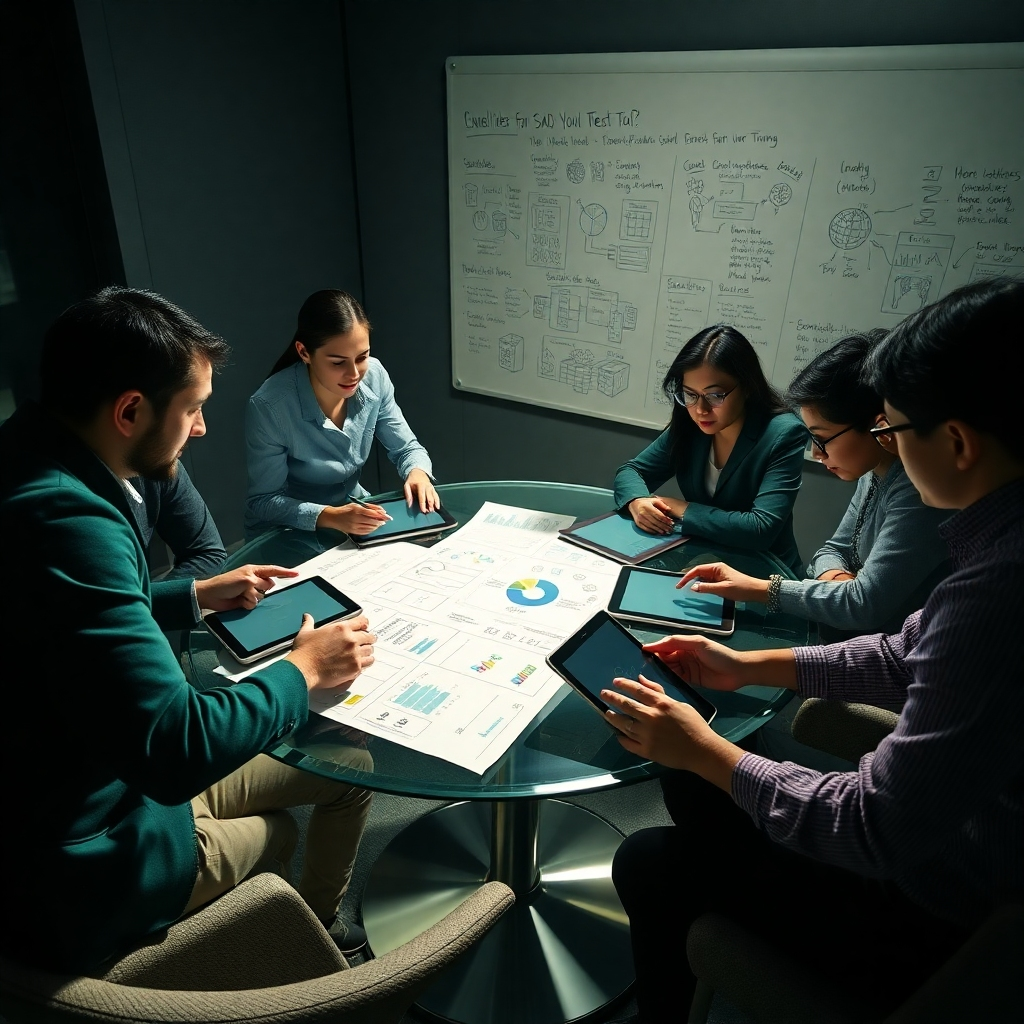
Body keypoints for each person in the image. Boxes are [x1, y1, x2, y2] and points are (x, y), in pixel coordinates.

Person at [606, 278, 1024, 1022]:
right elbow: (903, 650)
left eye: (893, 430)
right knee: (701, 776)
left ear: (956, 441)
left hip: (946, 903)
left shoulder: (996, 593)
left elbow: (870, 826)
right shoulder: (997, 550)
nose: (884, 447)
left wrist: (708, 752)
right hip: (944, 837)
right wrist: (752, 664)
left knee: (650, 858)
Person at [0, 287, 376, 973]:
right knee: (280, 830)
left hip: (99, 779)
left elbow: (68, 615)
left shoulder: (28, 455)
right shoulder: (69, 518)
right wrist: (306, 670)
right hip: (92, 853)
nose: (201, 428)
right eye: (194, 407)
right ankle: (314, 955)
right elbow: (176, 749)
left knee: (348, 768)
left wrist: (192, 597)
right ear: (130, 411)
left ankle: (320, 930)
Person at [678, 331, 951, 637]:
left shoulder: (919, 491)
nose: (816, 454)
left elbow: (864, 605)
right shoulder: (874, 467)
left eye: (822, 439)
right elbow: (830, 551)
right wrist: (838, 579)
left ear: (879, 427)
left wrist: (759, 589)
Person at [613, 325, 807, 573]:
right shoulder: (690, 424)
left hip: (764, 576)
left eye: (715, 395)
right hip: (703, 560)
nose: (700, 409)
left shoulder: (783, 433)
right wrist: (637, 501)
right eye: (689, 394)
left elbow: (761, 529)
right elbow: (632, 471)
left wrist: (684, 509)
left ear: (747, 386)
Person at [245, 289, 436, 538]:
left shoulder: (375, 376)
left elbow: (407, 449)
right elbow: (264, 501)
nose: (354, 374)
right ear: (304, 352)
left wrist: (417, 473)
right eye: (338, 362)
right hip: (286, 532)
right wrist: (329, 516)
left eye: (362, 357)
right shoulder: (270, 406)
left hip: (352, 514)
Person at [128, 463, 227, 579]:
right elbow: (115, 594)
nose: (183, 449)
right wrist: (196, 591)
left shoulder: (163, 463)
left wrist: (190, 591)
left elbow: (209, 554)